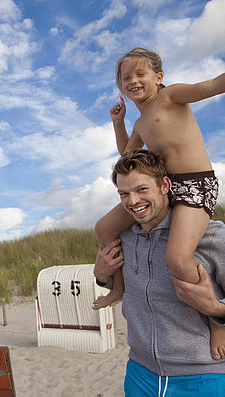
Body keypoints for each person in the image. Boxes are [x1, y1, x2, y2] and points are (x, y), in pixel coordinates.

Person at [93, 47, 225, 359]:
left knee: (178, 259)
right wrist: (118, 122)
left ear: (159, 77)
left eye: (140, 74)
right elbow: (127, 153)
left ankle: (216, 318)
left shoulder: (172, 96)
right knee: (104, 227)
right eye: (126, 78)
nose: (133, 81)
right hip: (164, 186)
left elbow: (214, 84)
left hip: (196, 184)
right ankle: (119, 287)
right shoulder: (139, 123)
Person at [94, 150, 225, 395]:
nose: (132, 201)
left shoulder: (211, 236)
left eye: (142, 190)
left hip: (203, 374)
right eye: (124, 194)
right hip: (140, 371)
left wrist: (216, 309)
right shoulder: (123, 237)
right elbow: (123, 287)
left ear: (165, 185)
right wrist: (102, 276)